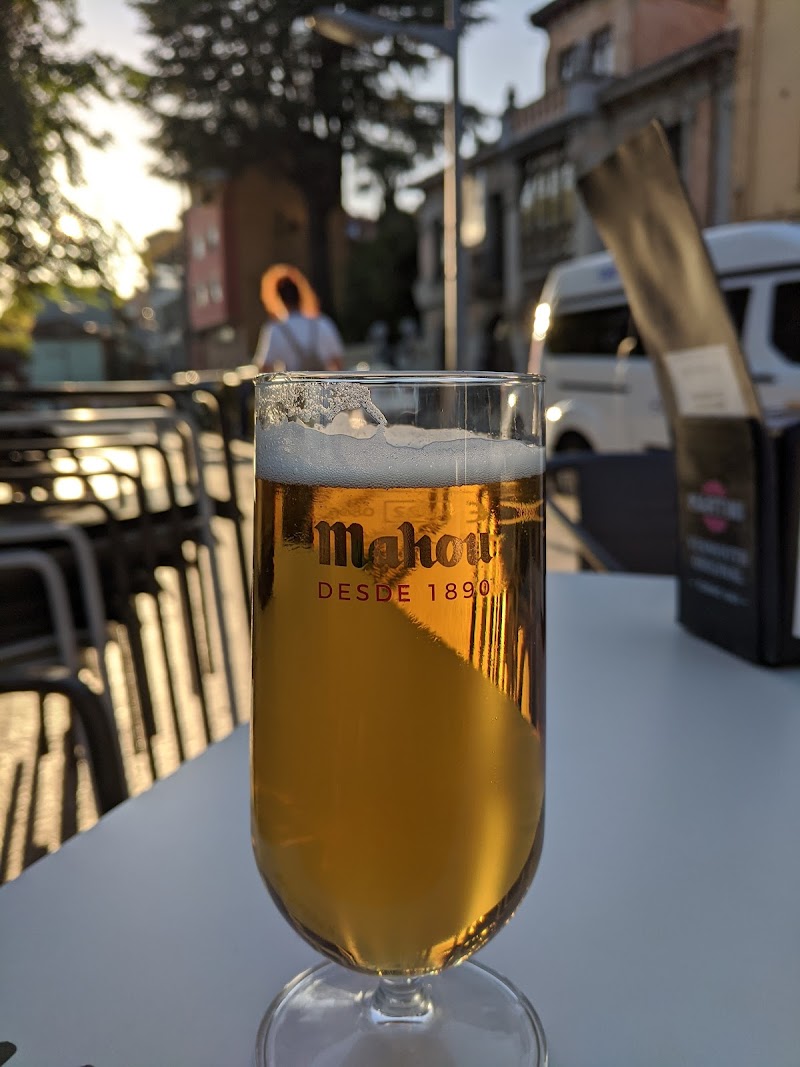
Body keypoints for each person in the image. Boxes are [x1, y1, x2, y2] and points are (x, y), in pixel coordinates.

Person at [253, 274, 344, 372]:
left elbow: (264, 367)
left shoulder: (274, 330)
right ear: (301, 295)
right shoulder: (322, 323)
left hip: (292, 385)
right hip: (323, 384)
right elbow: (338, 361)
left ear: (278, 299)